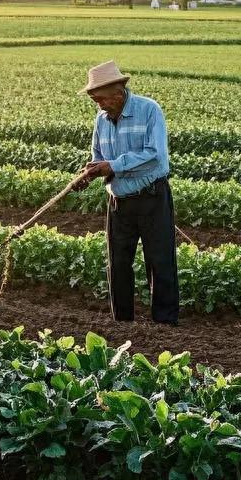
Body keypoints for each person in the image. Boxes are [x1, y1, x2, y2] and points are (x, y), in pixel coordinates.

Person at [73, 61, 179, 325]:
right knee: (118, 263)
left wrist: (113, 165)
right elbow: (98, 155)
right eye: (94, 99)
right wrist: (92, 171)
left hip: (152, 197)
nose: (97, 105)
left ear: (118, 93)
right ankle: (122, 323)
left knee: (160, 261)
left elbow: (154, 155)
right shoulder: (101, 120)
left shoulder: (149, 110)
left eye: (99, 99)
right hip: (118, 200)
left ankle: (165, 324)